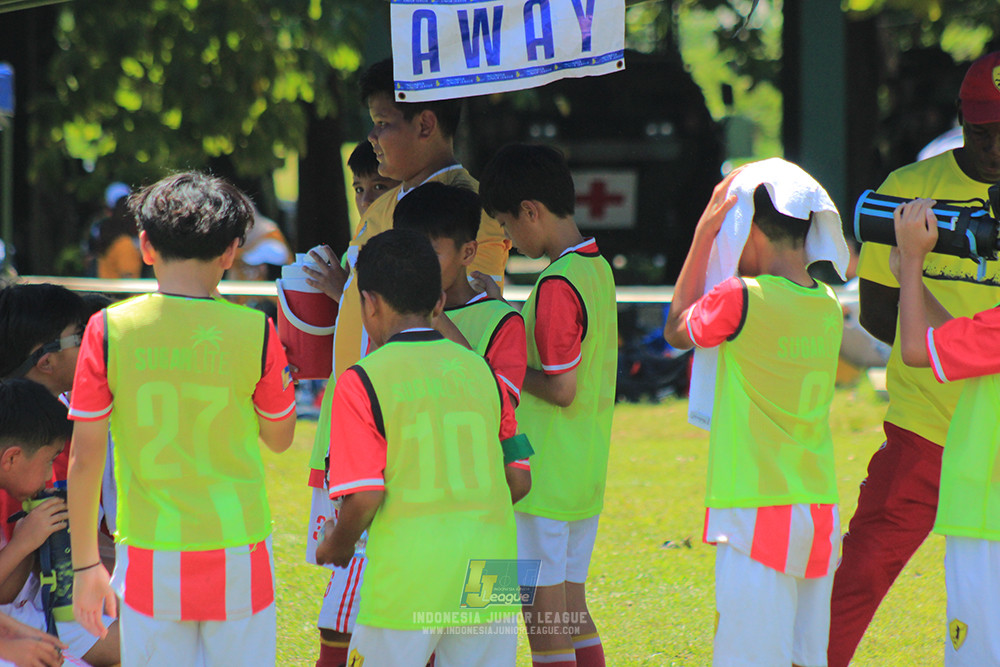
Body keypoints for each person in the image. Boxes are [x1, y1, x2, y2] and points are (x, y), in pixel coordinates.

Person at [66, 171, 297, 666]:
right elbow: (280, 437)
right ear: (231, 252)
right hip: (238, 548)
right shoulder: (256, 331)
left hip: (151, 550)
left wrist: (85, 565)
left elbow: (84, 460)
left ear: (145, 245)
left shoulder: (107, 329)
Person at [828, 50, 1000, 667]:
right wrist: (958, 349)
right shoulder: (909, 189)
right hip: (927, 424)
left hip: (990, 429)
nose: (995, 148)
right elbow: (878, 312)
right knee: (863, 569)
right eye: (983, 131)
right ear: (961, 117)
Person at [314, 229, 530, 667]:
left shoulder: (362, 379)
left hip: (409, 574)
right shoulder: (482, 373)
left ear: (369, 303)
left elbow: (365, 495)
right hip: (493, 570)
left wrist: (336, 545)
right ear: (439, 303)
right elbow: (519, 479)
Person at [663, 162, 845, 667]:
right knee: (805, 657)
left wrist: (702, 235)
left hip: (755, 508)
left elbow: (676, 328)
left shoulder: (740, 297)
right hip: (819, 508)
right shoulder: (829, 304)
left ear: (750, 230)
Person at [479, 144, 617, 667]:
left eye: (506, 225)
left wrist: (497, 363)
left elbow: (561, 388)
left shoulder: (557, 283)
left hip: (542, 480)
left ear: (530, 210)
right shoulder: (595, 267)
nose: (509, 240)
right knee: (571, 613)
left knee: (544, 625)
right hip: (581, 474)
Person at [302, 57, 511, 380]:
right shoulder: (378, 207)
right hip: (352, 398)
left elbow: (473, 330)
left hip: (407, 403)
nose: (371, 136)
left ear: (425, 125)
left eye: (382, 123)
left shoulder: (473, 211)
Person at [892, 197, 1000, 666]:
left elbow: (916, 350)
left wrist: (912, 260)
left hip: (986, 520)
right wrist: (909, 279)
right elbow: (957, 343)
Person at [0, 378, 115, 666]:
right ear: (12, 458)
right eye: (49, 461)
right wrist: (22, 543)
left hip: (22, 621)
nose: (48, 475)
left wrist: (32, 542)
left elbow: (6, 594)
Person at [394, 181, 527, 402]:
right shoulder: (396, 315)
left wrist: (438, 319)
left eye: (430, 253)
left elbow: (502, 405)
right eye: (406, 252)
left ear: (467, 253)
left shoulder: (500, 321)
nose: (416, 264)